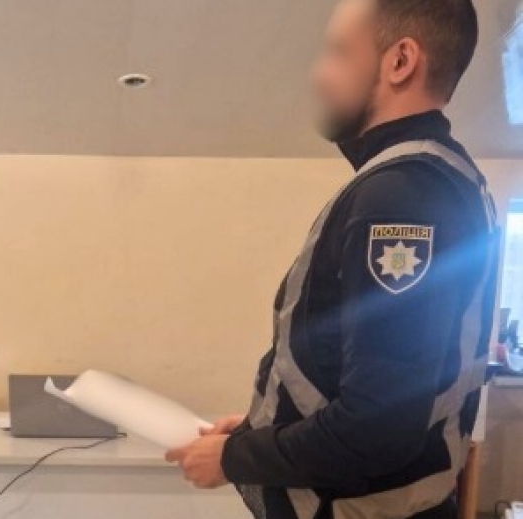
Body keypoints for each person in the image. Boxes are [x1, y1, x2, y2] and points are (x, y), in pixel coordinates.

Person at [165, 1, 498, 518]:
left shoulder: (402, 197)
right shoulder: (429, 181)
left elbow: (377, 428)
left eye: (338, 52)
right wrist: (259, 431)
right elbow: (352, 376)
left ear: (401, 61)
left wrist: (234, 458)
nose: (319, 75)